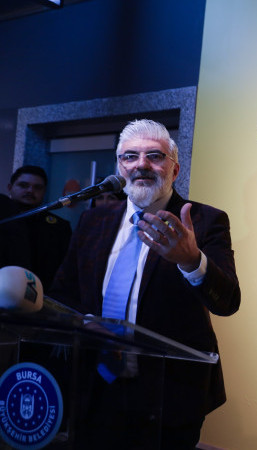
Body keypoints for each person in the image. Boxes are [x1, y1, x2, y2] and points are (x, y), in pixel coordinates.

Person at [49, 119, 241, 448]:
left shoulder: (205, 221)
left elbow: (228, 302)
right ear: (119, 167)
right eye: (130, 156)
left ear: (174, 170)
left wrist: (191, 261)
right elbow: (62, 294)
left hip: (170, 397)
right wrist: (82, 322)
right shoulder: (93, 220)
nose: (141, 164)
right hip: (95, 390)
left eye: (154, 155)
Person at [0, 165, 72, 291]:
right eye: (23, 185)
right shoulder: (3, 221)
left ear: (44, 192)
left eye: (37, 187)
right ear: (10, 188)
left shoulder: (59, 228)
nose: (30, 191)